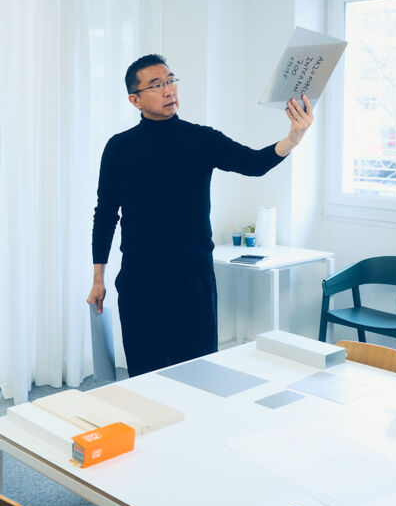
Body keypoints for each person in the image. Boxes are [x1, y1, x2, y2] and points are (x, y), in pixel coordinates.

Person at [87, 54, 313, 377]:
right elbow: (105, 214)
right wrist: (98, 278)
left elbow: (253, 163)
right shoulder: (118, 148)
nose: (168, 91)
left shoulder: (201, 139)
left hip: (193, 284)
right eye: (156, 85)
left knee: (199, 378)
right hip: (141, 285)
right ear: (134, 99)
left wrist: (292, 139)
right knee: (145, 379)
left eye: (170, 81)